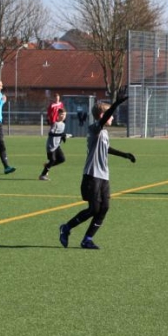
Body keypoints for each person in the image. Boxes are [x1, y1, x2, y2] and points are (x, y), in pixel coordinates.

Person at [58, 91, 135, 250]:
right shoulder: (95, 128)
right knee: (94, 209)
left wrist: (125, 155)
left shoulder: (104, 132)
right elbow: (106, 117)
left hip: (103, 176)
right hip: (92, 175)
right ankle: (66, 227)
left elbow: (107, 149)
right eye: (110, 115)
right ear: (102, 115)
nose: (113, 118)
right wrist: (116, 104)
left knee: (104, 208)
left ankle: (87, 239)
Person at [39, 107, 72, 181]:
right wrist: (61, 135)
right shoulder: (55, 124)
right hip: (51, 146)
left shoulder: (63, 124)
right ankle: (42, 175)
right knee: (52, 160)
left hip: (57, 146)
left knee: (62, 159)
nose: (63, 116)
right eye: (62, 114)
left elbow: (60, 135)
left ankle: (47, 165)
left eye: (64, 115)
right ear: (58, 115)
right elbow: (50, 134)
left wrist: (63, 137)